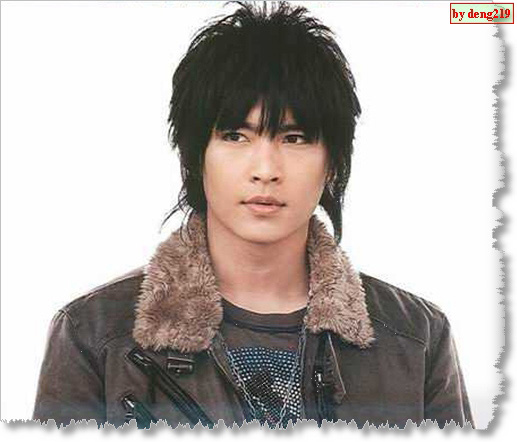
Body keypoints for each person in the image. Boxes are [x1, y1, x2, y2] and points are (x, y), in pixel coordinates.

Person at [33, 1, 474, 429]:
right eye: (235, 135)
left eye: (294, 138)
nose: (265, 170)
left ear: (332, 162)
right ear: (195, 156)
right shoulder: (95, 336)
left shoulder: (415, 340)